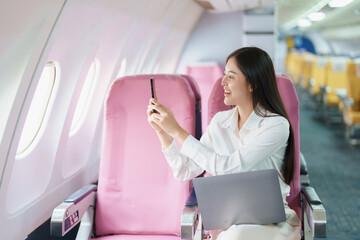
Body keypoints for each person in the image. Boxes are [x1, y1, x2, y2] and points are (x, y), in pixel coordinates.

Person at [147, 47, 301, 240]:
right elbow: (184, 170)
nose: (223, 82)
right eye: (224, 75)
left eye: (231, 76)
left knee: (236, 236)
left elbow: (229, 168)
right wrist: (164, 132)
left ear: (252, 84)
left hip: (270, 222)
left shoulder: (276, 125)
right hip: (230, 219)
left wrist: (177, 130)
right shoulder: (220, 121)